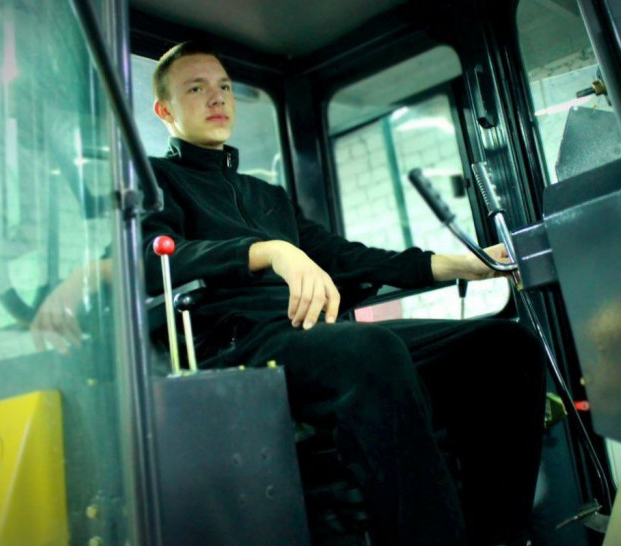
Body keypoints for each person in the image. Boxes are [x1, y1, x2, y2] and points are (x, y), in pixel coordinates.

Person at [141, 39, 546, 546]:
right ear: (164, 110)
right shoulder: (156, 179)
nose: (217, 97)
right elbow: (157, 258)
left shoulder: (267, 196)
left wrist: (463, 264)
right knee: (371, 349)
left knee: (505, 346)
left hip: (308, 331)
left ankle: (499, 536)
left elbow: (347, 258)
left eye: (223, 86)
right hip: (240, 342)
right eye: (196, 89)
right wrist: (269, 251)